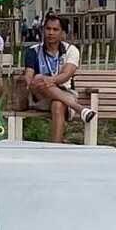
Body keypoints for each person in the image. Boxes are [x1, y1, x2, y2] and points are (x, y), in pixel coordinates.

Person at [23, 13, 94, 143]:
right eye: (48, 29)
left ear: (62, 33)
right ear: (43, 30)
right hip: (40, 96)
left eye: (55, 30)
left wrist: (49, 80)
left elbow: (66, 75)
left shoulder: (71, 50)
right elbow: (29, 76)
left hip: (65, 94)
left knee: (57, 104)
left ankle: (55, 148)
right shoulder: (33, 51)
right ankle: (79, 108)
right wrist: (32, 82)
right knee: (38, 78)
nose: (51, 33)